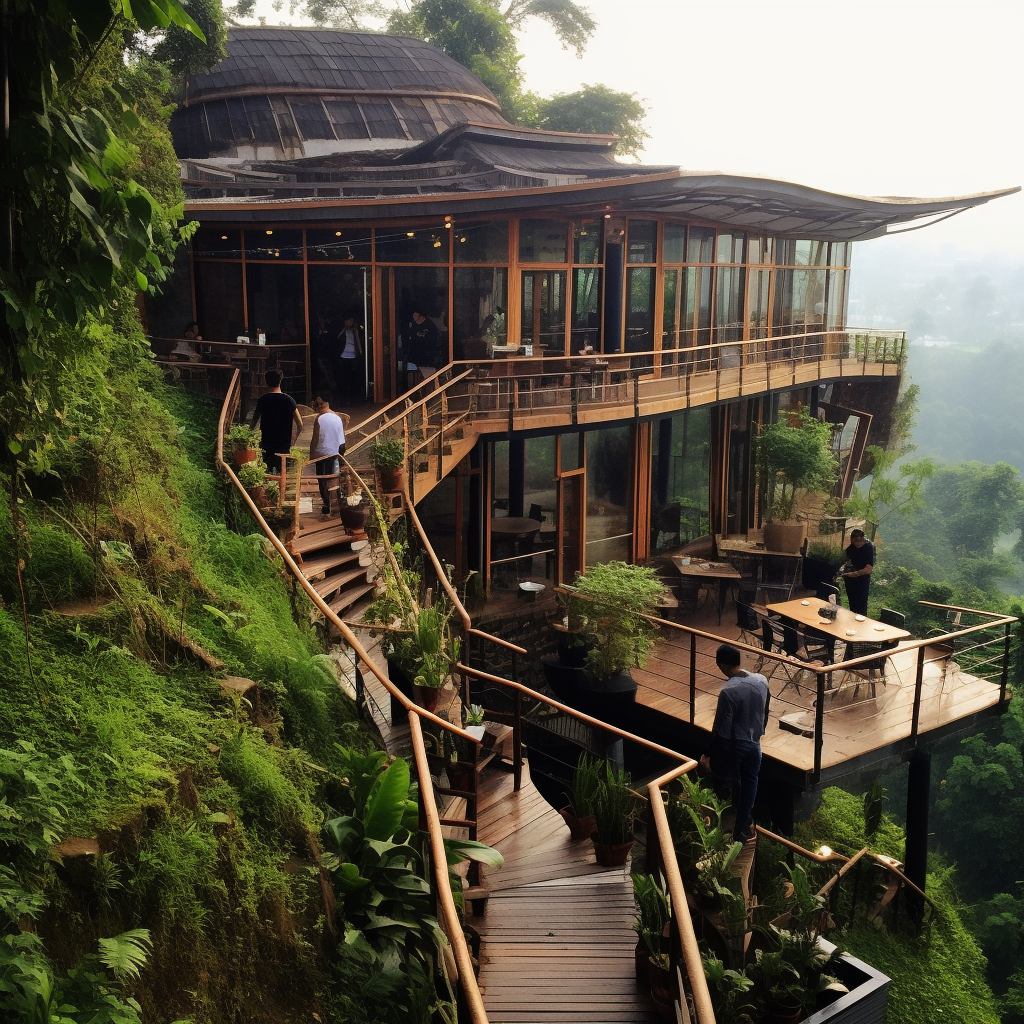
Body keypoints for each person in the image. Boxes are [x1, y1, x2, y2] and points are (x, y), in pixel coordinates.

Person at [699, 644, 770, 843]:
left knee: (725, 783)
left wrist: (708, 754)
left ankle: (720, 831)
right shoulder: (761, 680)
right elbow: (766, 710)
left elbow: (721, 731)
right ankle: (743, 829)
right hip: (754, 744)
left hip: (735, 745)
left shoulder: (728, 692)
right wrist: (760, 731)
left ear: (721, 664)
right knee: (750, 784)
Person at [250, 369, 303, 475]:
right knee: (282, 472)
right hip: (283, 444)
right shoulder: (289, 400)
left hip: (266, 443)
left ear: (266, 382)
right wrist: (294, 439)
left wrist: (251, 439)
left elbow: (253, 423)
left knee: (266, 472)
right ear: (280, 380)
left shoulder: (262, 400)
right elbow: (300, 424)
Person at [309, 390, 346, 515]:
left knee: (322, 480)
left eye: (321, 404)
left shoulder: (319, 419)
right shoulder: (337, 418)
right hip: (334, 453)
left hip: (321, 454)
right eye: (317, 405)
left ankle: (327, 504)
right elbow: (342, 440)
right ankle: (334, 504)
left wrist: (311, 455)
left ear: (327, 403)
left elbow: (315, 439)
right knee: (333, 478)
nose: (319, 407)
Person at [840, 529, 875, 615]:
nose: (856, 543)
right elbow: (842, 560)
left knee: (861, 605)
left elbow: (868, 569)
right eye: (854, 541)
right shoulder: (851, 548)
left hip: (862, 579)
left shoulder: (869, 548)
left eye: (858, 541)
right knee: (852, 604)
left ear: (862, 538)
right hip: (850, 580)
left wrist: (854, 574)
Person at [337, 316, 364, 403]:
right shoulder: (343, 330)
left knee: (354, 376)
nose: (348, 322)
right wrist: (345, 328)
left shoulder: (356, 330)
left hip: (353, 356)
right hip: (344, 356)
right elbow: (338, 337)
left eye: (350, 321)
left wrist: (360, 353)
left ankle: (354, 395)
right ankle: (344, 395)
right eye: (347, 321)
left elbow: (359, 342)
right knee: (344, 377)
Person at [406, 310, 439, 380]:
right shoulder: (411, 325)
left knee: (428, 378)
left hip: (427, 357)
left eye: (415, 313)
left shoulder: (430, 325)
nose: (414, 315)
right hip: (413, 356)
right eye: (412, 314)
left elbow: (434, 340)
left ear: (420, 314)